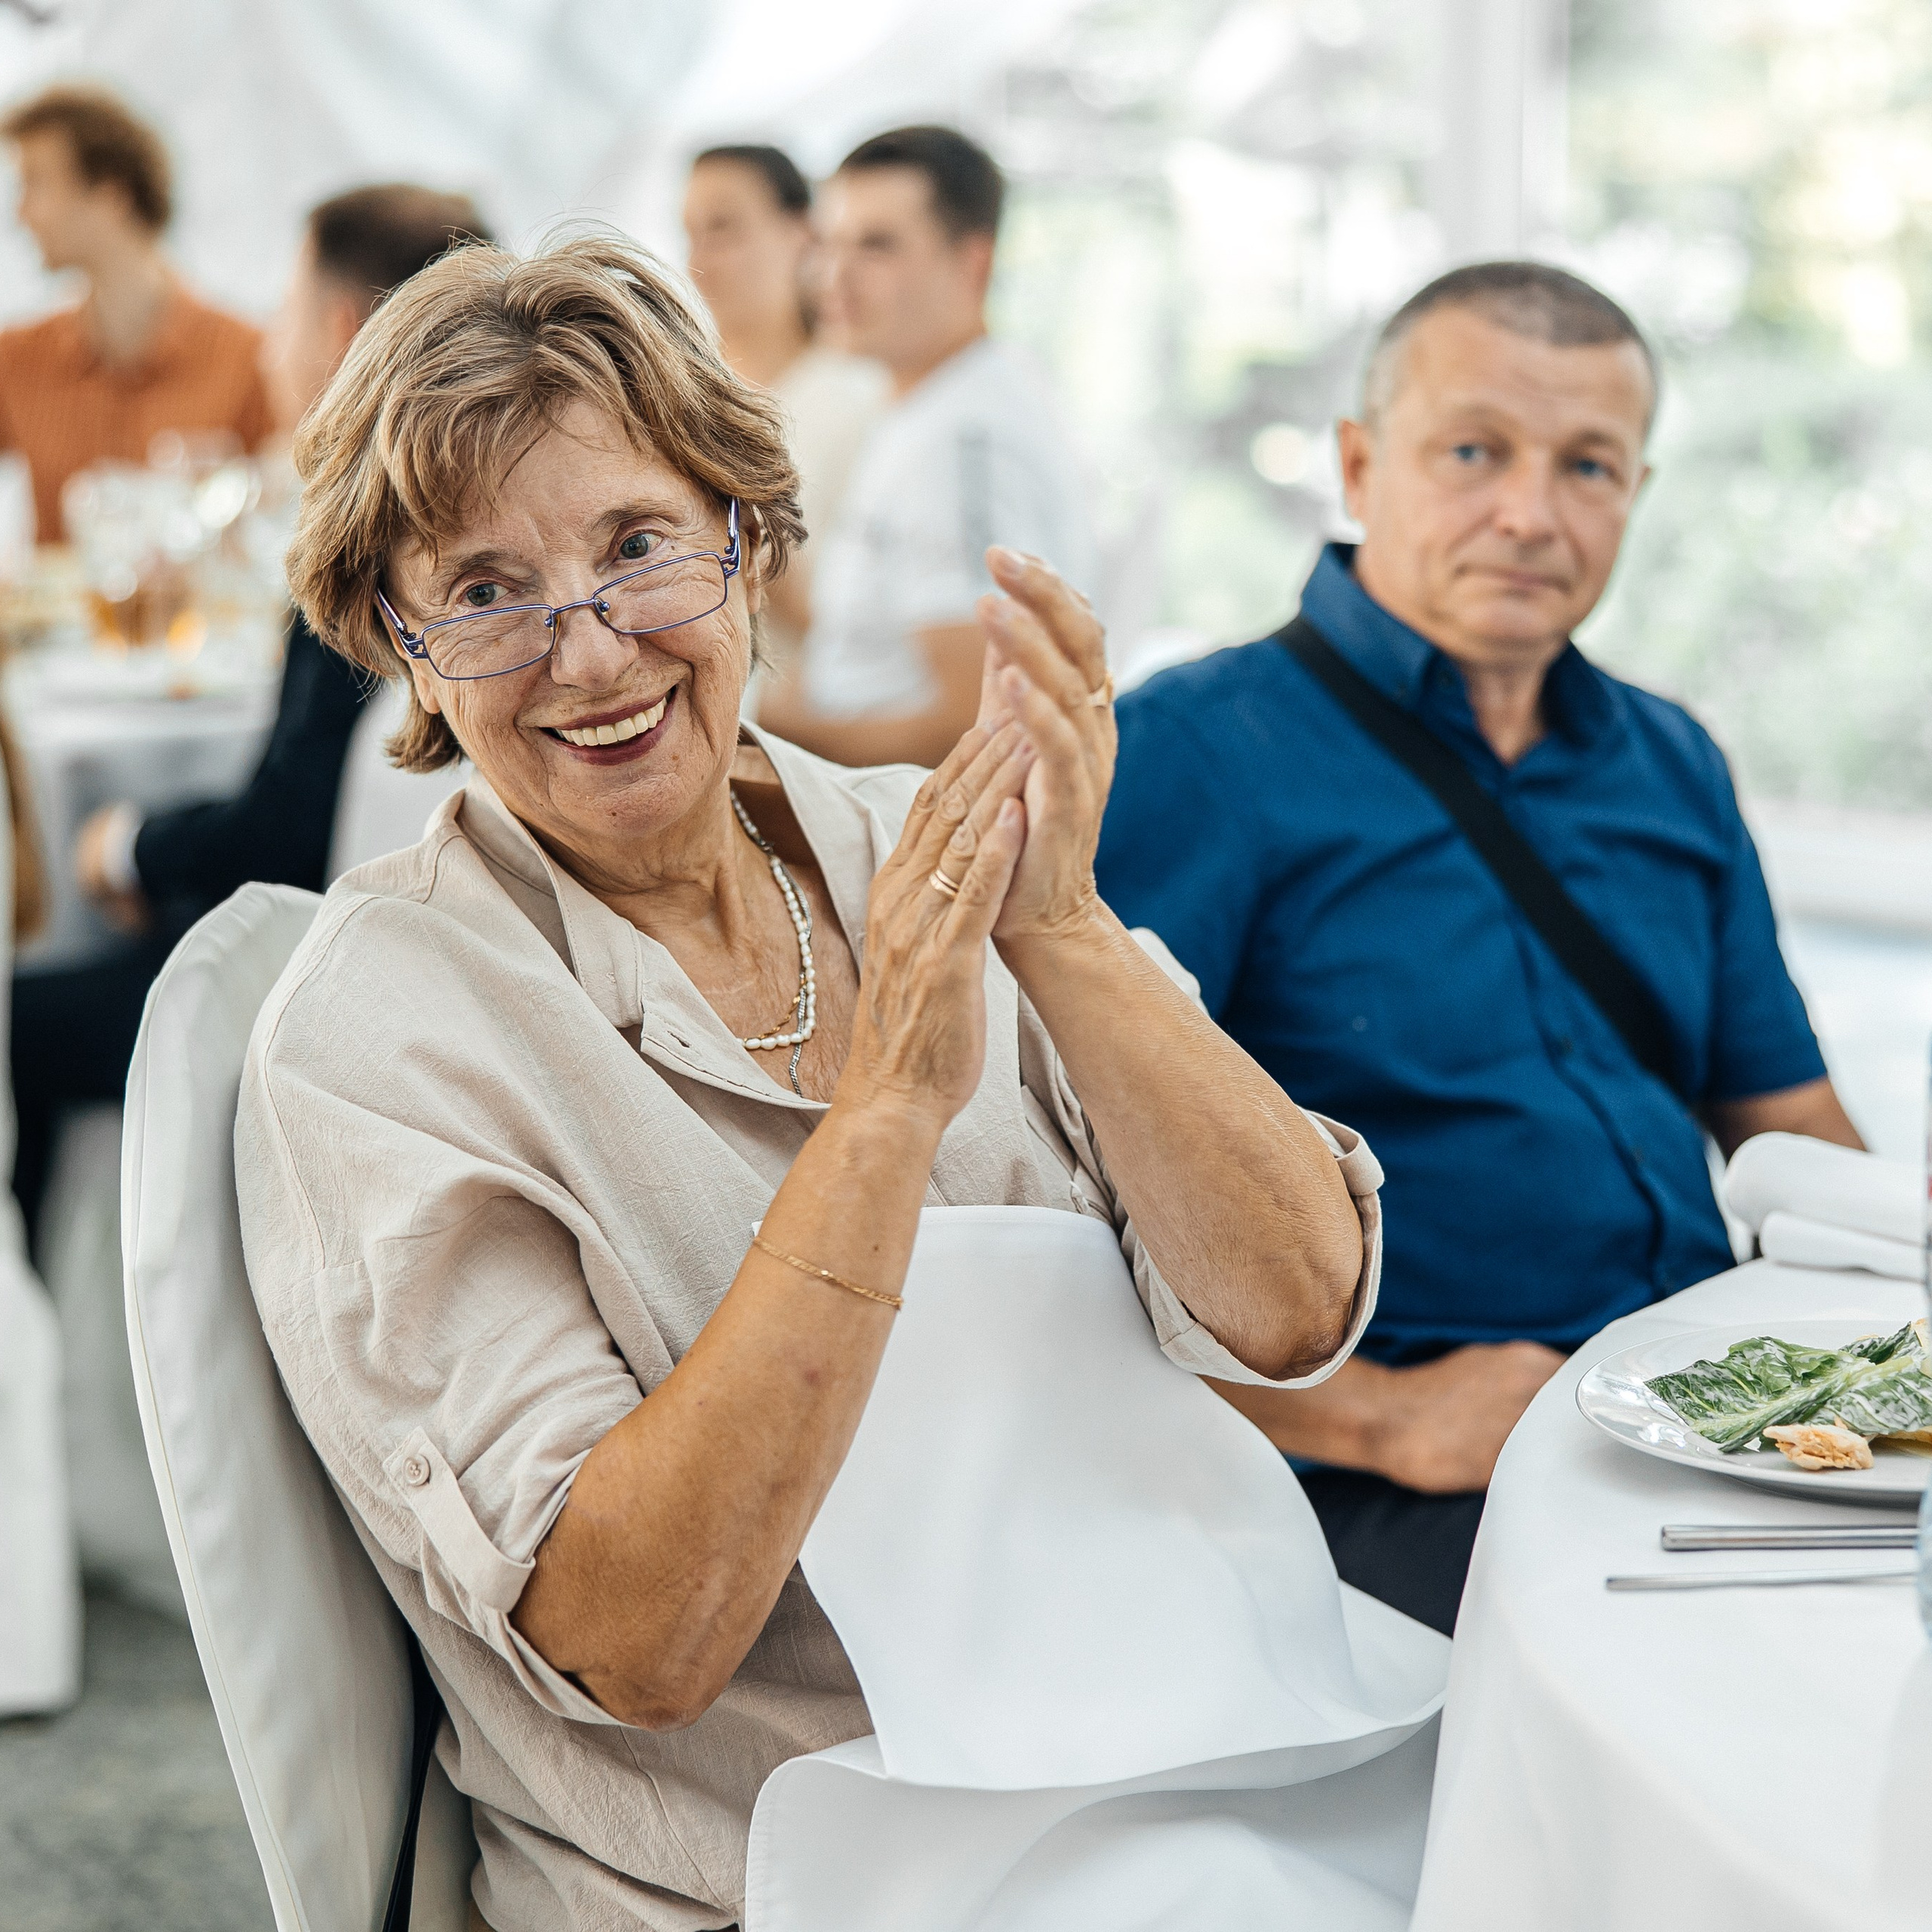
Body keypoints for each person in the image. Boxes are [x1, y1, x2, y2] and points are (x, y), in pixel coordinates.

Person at [240, 231, 1383, 1930]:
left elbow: (1294, 1303)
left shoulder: (913, 838)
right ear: (396, 640)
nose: (593, 653)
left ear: (745, 539)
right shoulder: (378, 1033)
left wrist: (1057, 927)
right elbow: (638, 1639)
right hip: (772, 1870)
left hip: (1168, 1756)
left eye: (637, 546)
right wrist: (882, 1115)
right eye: (484, 593)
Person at [1095, 262, 1861, 1638]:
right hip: (1404, 1472)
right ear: (1357, 463)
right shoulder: (1190, 755)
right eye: (1473, 452)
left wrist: (1883, 1346)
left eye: (1588, 465)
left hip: (1705, 1413)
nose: (1529, 512)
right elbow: (1050, 1232)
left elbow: (1797, 1130)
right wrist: (1382, 1420)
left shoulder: (1672, 762)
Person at [8, 184, 490, 1247]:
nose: (267, 343)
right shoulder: (474, 507)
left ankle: (47, 1345)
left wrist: (127, 851)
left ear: (337, 332)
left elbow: (285, 831)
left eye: (283, 308)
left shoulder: (374, 534)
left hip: (317, 984)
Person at [756, 126, 1095, 769]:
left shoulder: (967, 440)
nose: (835, 276)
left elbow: (973, 722)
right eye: (829, 244)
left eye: (877, 246)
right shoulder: (924, 403)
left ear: (974, 263)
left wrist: (773, 730)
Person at [0, 85, 270, 540]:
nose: (20, 214)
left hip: (201, 612)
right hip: (54, 614)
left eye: (35, 184)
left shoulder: (249, 358)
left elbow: (294, 521)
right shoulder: (16, 358)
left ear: (111, 197)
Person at [681, 143, 884, 657]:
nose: (699, 258)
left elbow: (858, 617)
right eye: (690, 234)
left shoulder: (863, 400)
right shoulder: (673, 399)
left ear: (802, 234)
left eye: (723, 228)